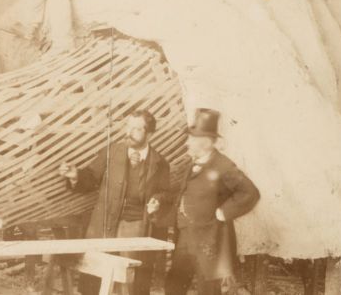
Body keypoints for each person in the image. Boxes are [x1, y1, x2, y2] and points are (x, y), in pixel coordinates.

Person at [59, 110, 173, 295]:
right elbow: (91, 177)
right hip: (104, 224)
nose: (128, 132)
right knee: (95, 276)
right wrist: (75, 176)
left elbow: (166, 193)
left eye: (136, 129)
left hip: (137, 227)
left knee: (130, 281)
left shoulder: (160, 163)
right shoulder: (112, 152)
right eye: (128, 126)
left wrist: (157, 200)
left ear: (149, 134)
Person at [165, 108, 260, 295]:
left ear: (205, 143)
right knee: (174, 286)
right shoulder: (193, 164)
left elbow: (250, 193)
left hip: (211, 240)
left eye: (191, 139)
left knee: (208, 291)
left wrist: (223, 212)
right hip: (187, 236)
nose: (186, 143)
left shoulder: (224, 166)